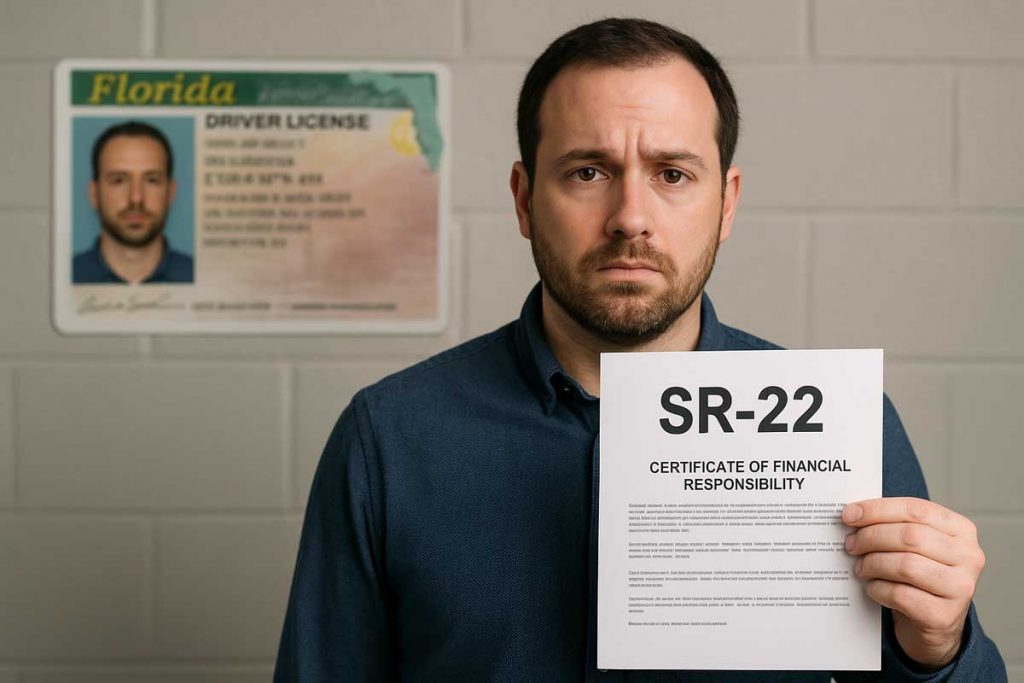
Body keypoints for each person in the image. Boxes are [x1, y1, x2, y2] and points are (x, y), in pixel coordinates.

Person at [275, 18, 1006, 682]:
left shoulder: (848, 428)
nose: (631, 218)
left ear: (728, 202)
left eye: (673, 174)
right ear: (525, 200)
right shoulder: (389, 437)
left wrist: (939, 647)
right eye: (588, 171)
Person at [73, 120, 193, 284]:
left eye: (151, 180)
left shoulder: (203, 278)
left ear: (171, 193)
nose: (136, 198)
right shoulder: (67, 277)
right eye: (119, 181)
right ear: (94, 194)